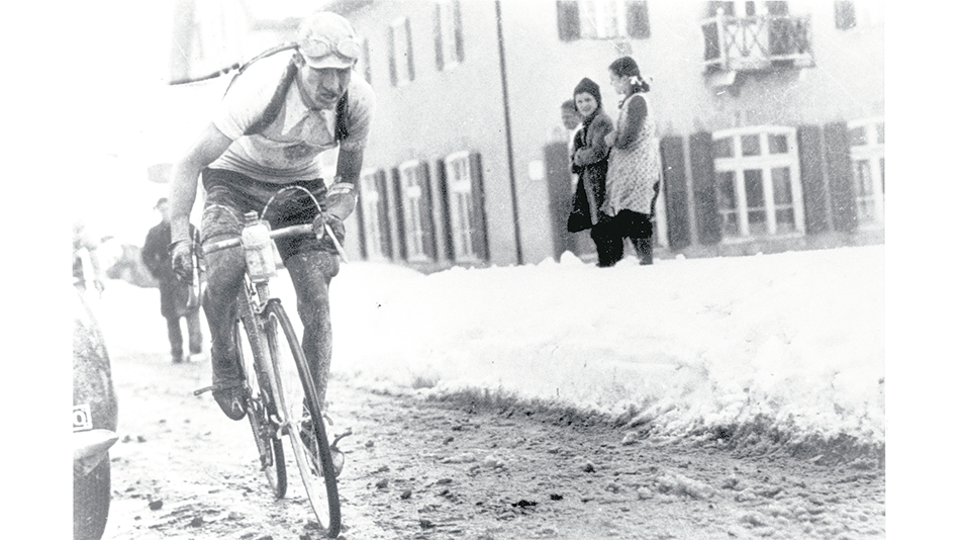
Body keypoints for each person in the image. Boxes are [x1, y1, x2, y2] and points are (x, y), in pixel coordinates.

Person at [167, 8, 375, 451]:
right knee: (223, 269)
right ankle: (224, 359)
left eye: (343, 72)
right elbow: (188, 164)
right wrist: (180, 237)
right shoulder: (261, 89)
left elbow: (346, 181)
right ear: (300, 62)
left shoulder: (357, 101)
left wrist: (334, 214)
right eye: (322, 73)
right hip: (234, 179)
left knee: (317, 294)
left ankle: (315, 423)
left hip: (300, 184)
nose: (333, 85)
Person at [594, 56, 661, 266]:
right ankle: (634, 263)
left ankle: (643, 264)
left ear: (624, 78)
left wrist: (613, 137)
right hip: (632, 173)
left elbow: (627, 139)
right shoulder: (633, 101)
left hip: (638, 173)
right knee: (629, 219)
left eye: (613, 79)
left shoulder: (638, 101)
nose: (612, 84)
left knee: (636, 220)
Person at [142, 197, 203, 364]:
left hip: (186, 278)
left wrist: (195, 268)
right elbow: (146, 254)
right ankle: (177, 352)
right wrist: (157, 269)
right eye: (162, 209)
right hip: (167, 281)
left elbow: (200, 247)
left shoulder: (187, 228)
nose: (166, 212)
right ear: (158, 211)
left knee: (192, 313)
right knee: (171, 317)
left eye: (168, 208)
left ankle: (196, 350)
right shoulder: (154, 232)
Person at [567, 78, 614, 262]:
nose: (584, 105)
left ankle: (608, 261)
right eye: (580, 101)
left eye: (588, 100)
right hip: (591, 179)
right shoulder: (588, 123)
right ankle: (605, 260)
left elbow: (598, 151)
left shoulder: (601, 121)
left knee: (603, 219)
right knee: (597, 219)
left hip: (602, 177)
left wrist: (578, 156)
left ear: (597, 100)